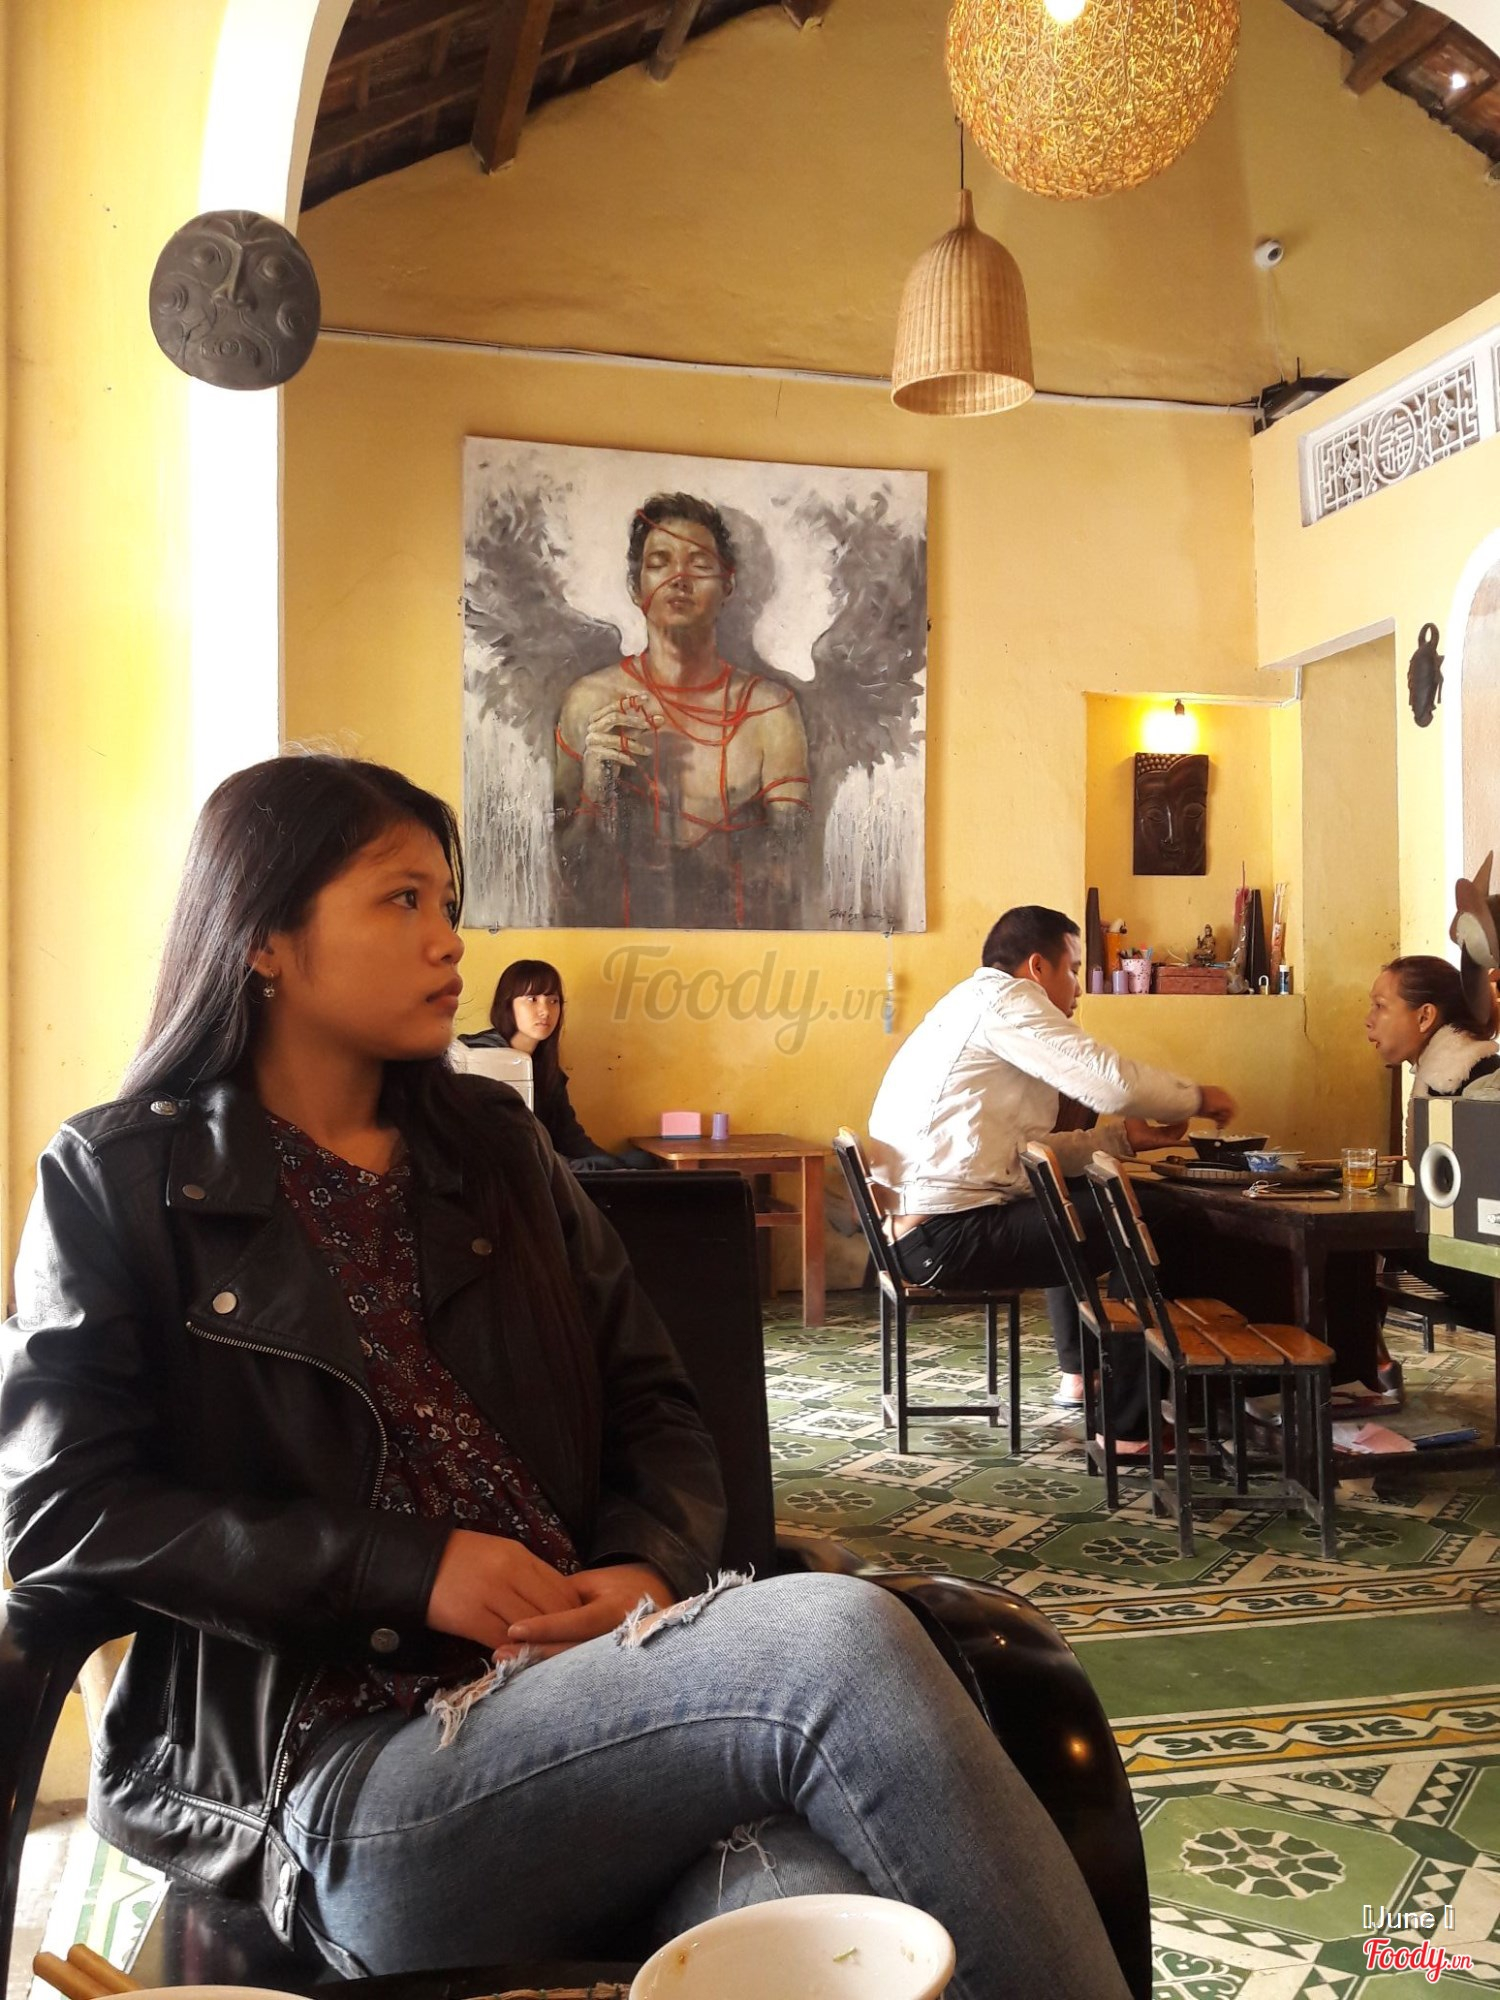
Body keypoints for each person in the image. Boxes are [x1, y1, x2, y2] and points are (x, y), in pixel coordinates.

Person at [1, 755, 1132, 2000]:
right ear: (263, 935)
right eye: (402, 899)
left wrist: (647, 1565)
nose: (450, 938)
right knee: (839, 1642)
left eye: (449, 902)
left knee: (820, 1926)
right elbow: (57, 1511)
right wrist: (407, 1567)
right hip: (350, 1778)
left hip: (603, 1704)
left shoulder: (496, 1147)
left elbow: (657, 1403)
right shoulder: (122, 1178)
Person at [868, 905, 1236, 1443]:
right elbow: (1111, 1084)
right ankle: (1131, 1424)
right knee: (1158, 1219)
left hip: (925, 1231)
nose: (1079, 988)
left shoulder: (969, 1003)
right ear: (1038, 967)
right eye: (1074, 969)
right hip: (944, 1238)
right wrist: (1197, 1097)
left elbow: (1025, 1154)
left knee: (1114, 1199)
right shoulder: (1009, 1001)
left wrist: (1122, 1140)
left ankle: (1107, 1383)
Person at [553, 493, 810, 930]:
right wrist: (595, 795)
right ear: (635, 587)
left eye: (700, 564)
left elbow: (790, 874)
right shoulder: (588, 701)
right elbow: (565, 874)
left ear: (727, 586)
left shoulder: (771, 711)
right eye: (659, 562)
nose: (679, 578)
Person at [1365, 952, 1500, 1336]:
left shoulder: (1483, 1088)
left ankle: (1359, 1363)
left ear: (1425, 1017)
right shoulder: (1437, 1077)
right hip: (1470, 1253)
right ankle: (1369, 1360)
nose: (1368, 1019)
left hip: (1488, 1267)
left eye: (1380, 1006)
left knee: (1356, 1236)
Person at [457, 957, 655, 1174]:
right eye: (532, 999)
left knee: (642, 1160)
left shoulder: (545, 1067)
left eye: (553, 1001)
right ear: (507, 1005)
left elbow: (571, 1136)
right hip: (512, 1168)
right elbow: (512, 1146)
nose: (545, 1011)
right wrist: (596, 1168)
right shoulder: (483, 1056)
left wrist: (613, 1169)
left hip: (550, 1162)